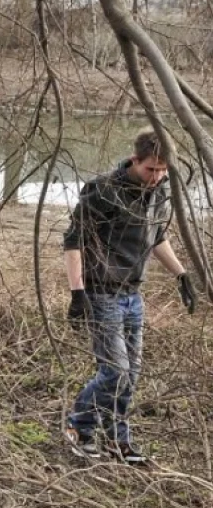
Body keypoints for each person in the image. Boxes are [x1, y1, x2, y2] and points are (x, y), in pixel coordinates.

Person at [63, 129, 196, 464]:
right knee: (115, 372)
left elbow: (156, 236)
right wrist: (77, 293)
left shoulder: (159, 189)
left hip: (132, 293)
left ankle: (116, 439)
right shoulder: (103, 191)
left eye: (164, 170)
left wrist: (181, 274)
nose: (158, 176)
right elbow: (73, 240)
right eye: (152, 169)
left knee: (131, 374)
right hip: (101, 291)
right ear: (135, 160)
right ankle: (78, 426)